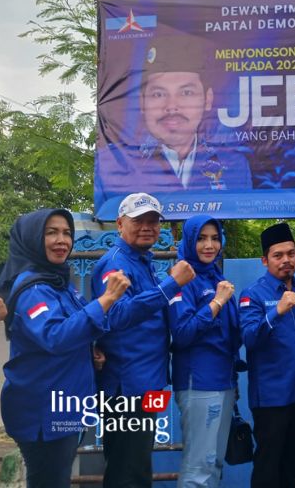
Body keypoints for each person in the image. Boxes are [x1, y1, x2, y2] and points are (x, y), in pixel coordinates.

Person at [0, 209, 130, 487]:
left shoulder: (59, 283)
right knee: (50, 480)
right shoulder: (33, 288)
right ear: (32, 239)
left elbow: (77, 328)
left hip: (68, 404)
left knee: (58, 477)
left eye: (67, 233)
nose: (62, 240)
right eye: (51, 232)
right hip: (43, 411)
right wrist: (106, 299)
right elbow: (56, 336)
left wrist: (91, 353)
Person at [92, 192, 195, 487]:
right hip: (127, 386)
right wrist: (171, 284)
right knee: (128, 471)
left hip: (148, 381)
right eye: (139, 221)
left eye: (153, 221)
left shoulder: (142, 262)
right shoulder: (114, 264)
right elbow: (116, 314)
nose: (147, 226)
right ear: (120, 223)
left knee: (138, 464)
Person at [95, 36, 252, 205]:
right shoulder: (112, 164)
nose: (171, 107)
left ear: (208, 99)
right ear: (142, 102)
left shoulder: (234, 166)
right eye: (158, 94)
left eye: (186, 93)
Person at [240, 223, 295, 488]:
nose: (286, 260)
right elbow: (250, 339)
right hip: (271, 398)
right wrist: (276, 311)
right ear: (265, 260)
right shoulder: (252, 294)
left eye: (291, 253)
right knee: (268, 468)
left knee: (293, 468)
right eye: (278, 255)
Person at [169, 215, 240, 487]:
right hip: (198, 382)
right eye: (201, 238)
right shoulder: (183, 279)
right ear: (188, 240)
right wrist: (218, 302)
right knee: (200, 466)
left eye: (214, 238)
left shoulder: (215, 276)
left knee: (214, 464)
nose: (209, 245)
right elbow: (183, 333)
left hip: (224, 380)